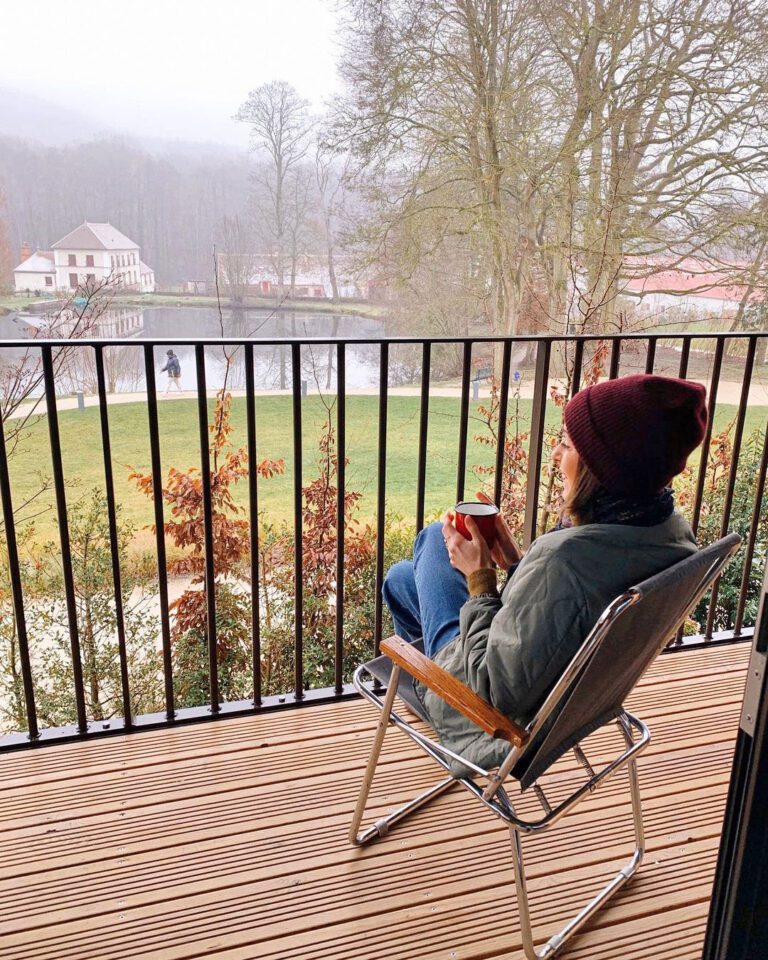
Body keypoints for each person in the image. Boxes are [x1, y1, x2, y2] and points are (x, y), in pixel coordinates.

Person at [382, 374, 708, 773]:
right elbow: (562, 612)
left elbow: (494, 689)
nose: (555, 454)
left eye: (567, 445)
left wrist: (480, 578)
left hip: (495, 720)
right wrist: (519, 566)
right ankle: (428, 689)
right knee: (403, 578)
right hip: (580, 701)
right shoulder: (670, 533)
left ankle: (432, 694)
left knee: (432, 540)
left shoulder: (563, 562)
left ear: (601, 469)